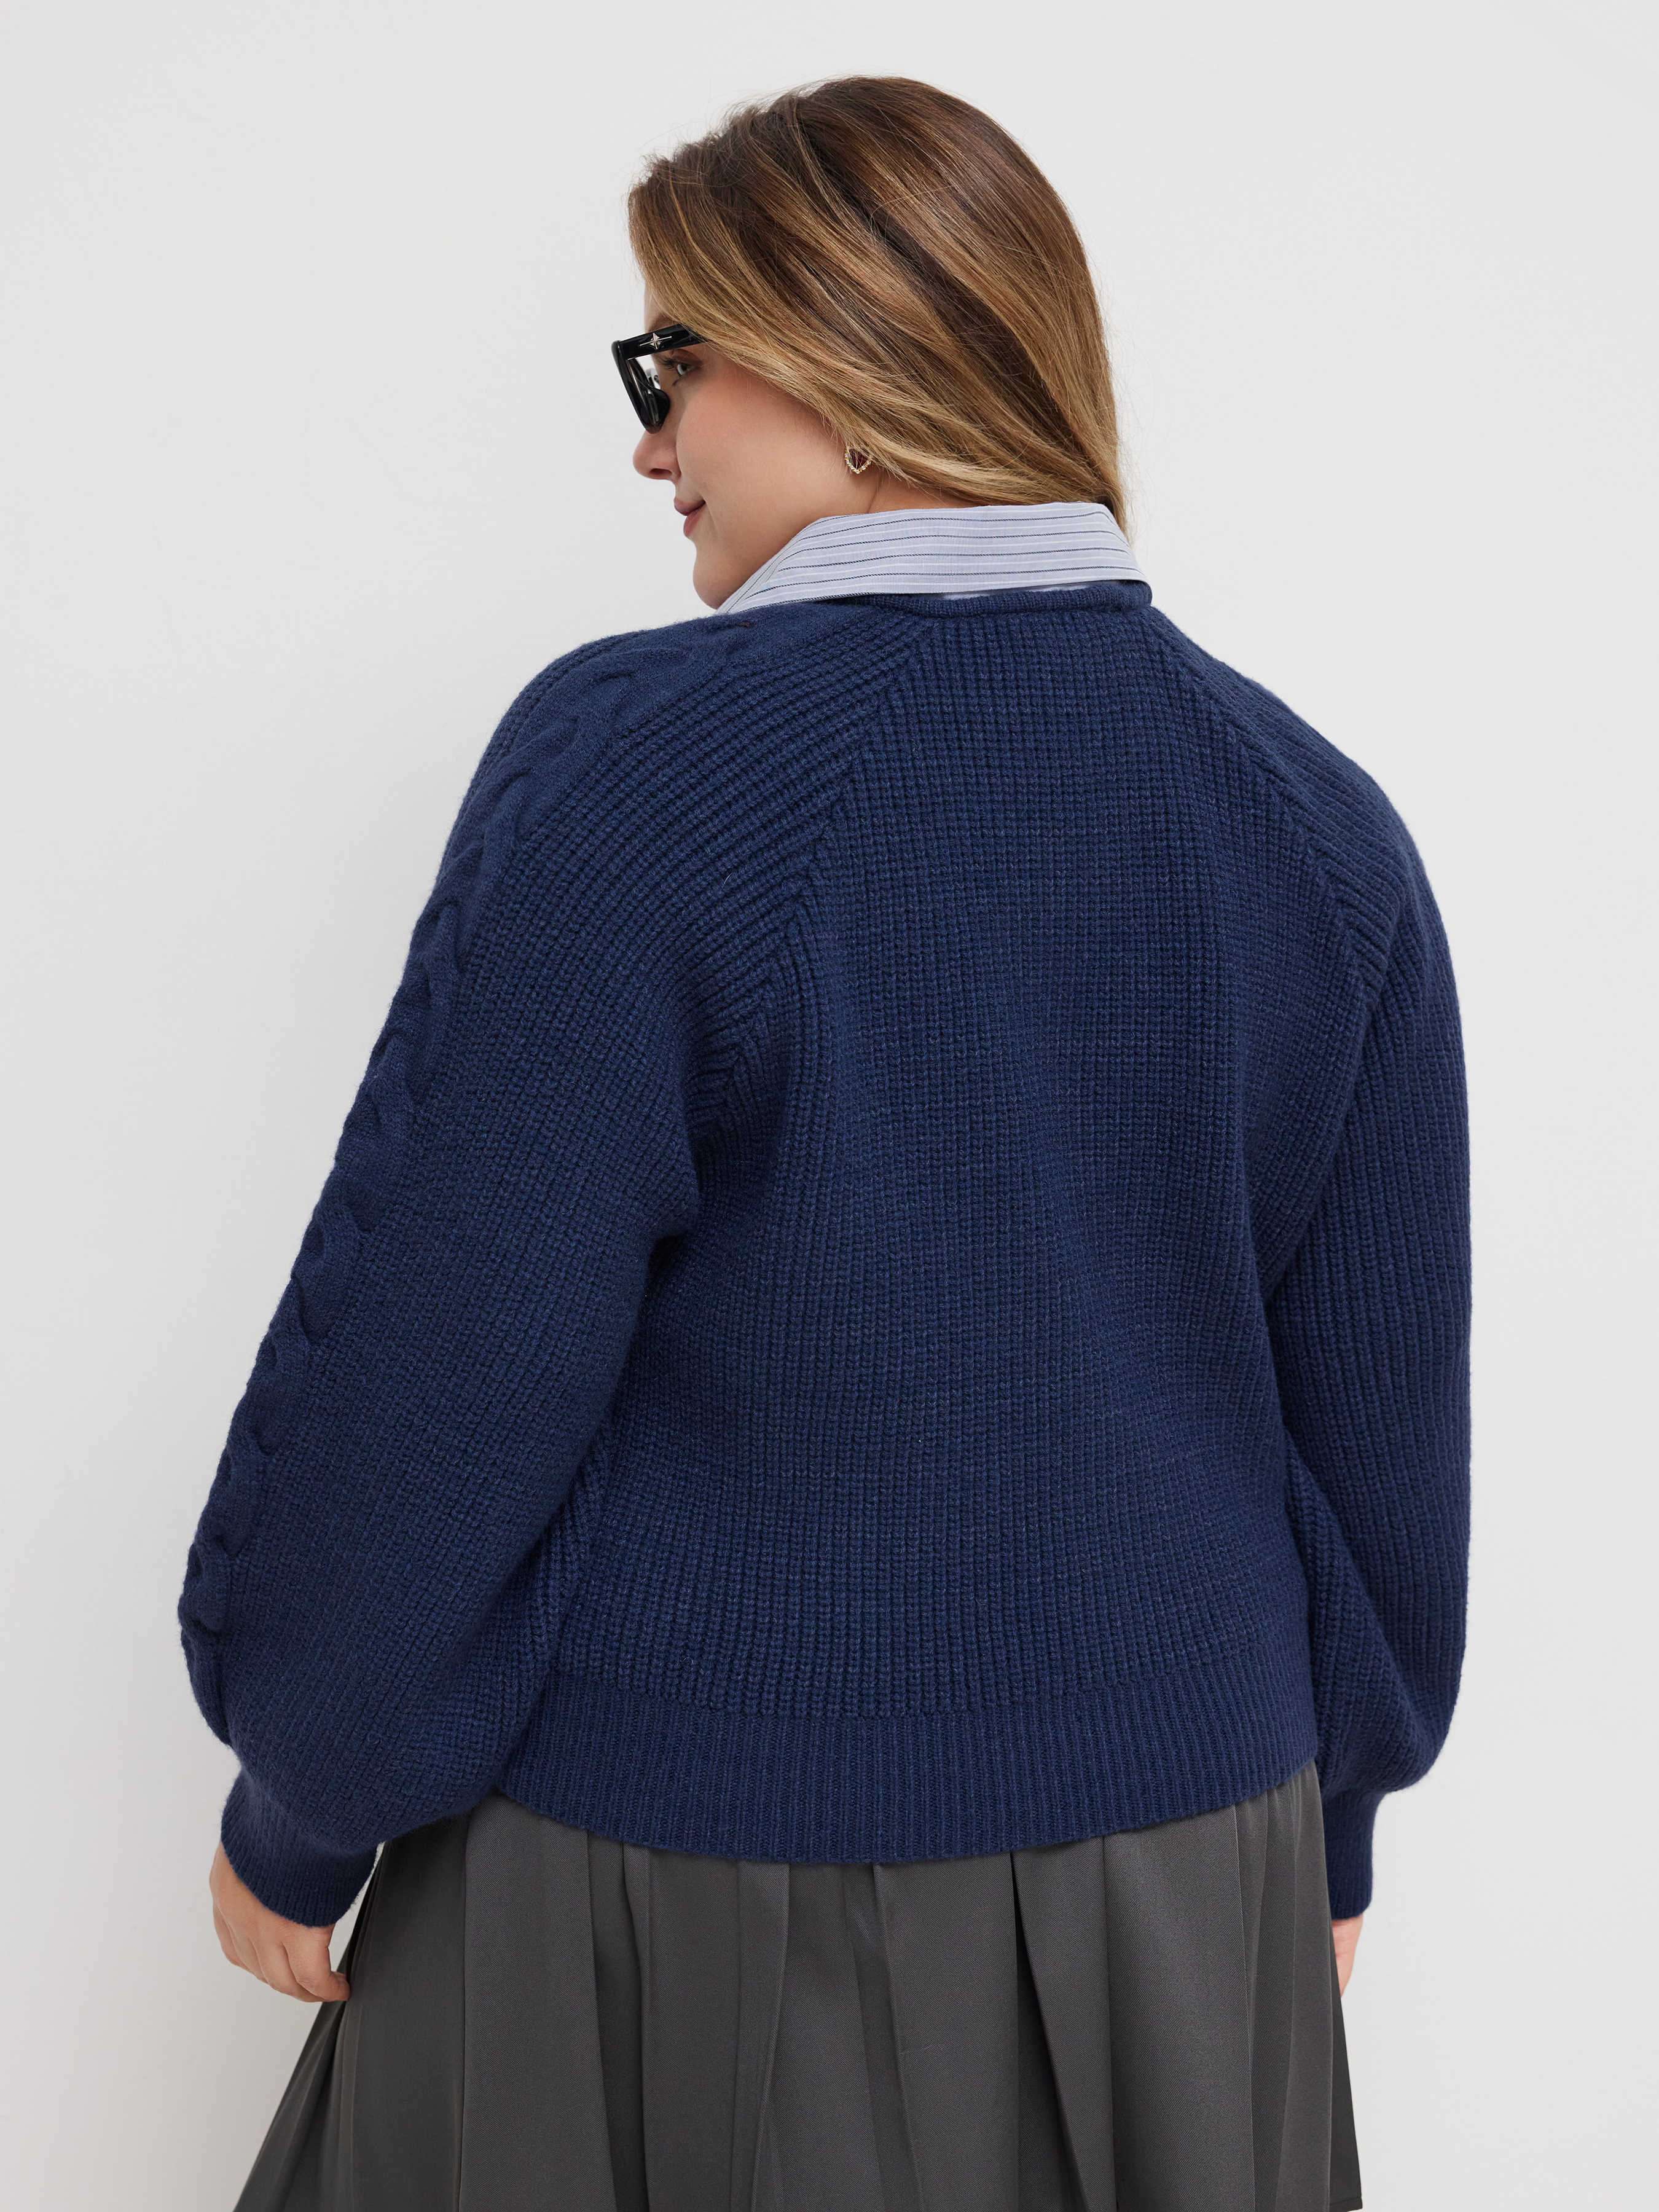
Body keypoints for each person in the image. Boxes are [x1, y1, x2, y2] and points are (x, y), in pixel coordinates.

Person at [181, 74, 1470, 2212]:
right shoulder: (1314, 822)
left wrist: (304, 1799)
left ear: (849, 360)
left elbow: (443, 1363)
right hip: (1192, 1878)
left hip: (667, 1887)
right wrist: (1321, 1827)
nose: (650, 443)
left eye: (673, 365)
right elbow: (1374, 1430)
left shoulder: (641, 771)